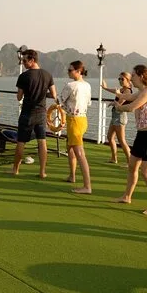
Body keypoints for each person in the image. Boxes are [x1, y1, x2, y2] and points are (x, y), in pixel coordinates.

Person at [112, 65, 147, 215]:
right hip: (141, 135)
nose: (131, 78)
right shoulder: (141, 91)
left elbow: (131, 107)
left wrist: (118, 107)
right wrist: (118, 95)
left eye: (133, 75)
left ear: (141, 76)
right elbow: (129, 97)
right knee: (132, 167)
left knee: (146, 173)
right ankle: (127, 196)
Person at [11, 49, 58, 178]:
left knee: (21, 142)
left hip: (27, 113)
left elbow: (19, 97)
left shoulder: (24, 76)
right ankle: (42, 172)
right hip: (41, 113)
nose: (23, 63)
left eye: (24, 60)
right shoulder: (47, 75)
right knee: (42, 141)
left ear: (32, 60)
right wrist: (42, 93)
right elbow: (54, 94)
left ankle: (15, 169)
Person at [59, 60, 92, 193]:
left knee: (79, 153)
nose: (68, 72)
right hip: (83, 119)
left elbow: (59, 100)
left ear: (78, 71)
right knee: (70, 147)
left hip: (74, 120)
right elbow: (88, 103)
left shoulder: (71, 85)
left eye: (70, 70)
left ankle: (87, 186)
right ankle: (72, 176)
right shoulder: (87, 85)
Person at [101, 72, 132, 164]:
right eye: (119, 79)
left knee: (122, 140)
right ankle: (114, 158)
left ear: (128, 80)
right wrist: (105, 88)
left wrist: (114, 102)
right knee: (110, 137)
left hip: (120, 116)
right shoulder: (122, 89)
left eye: (122, 79)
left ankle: (130, 162)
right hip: (115, 115)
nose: (120, 81)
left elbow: (120, 103)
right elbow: (115, 91)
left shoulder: (127, 91)